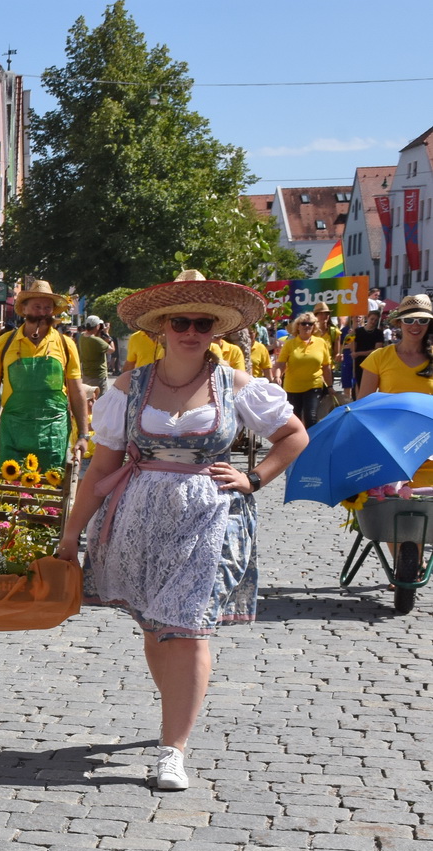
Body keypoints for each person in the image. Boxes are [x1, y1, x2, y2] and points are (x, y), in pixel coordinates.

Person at [57, 272, 306, 792]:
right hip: (137, 519)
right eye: (181, 321)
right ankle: (177, 710)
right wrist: (69, 536)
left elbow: (293, 435)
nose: (191, 330)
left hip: (210, 519)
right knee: (154, 625)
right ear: (162, 328)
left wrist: (253, 478)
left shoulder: (236, 385)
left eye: (202, 323)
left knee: (190, 628)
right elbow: (100, 470)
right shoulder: (129, 388)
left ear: (216, 331)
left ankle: (174, 749)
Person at [0, 279, 85, 470]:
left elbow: (76, 391)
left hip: (53, 432)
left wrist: (83, 435)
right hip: (14, 430)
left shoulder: (66, 345)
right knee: (9, 493)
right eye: (37, 306)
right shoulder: (5, 343)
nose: (42, 312)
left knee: (51, 492)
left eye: (47, 307)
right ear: (24, 309)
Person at [355, 294, 433, 491]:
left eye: (422, 320)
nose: (416, 325)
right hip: (392, 447)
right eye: (409, 320)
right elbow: (364, 407)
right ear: (399, 322)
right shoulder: (380, 357)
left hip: (429, 449)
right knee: (391, 513)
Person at [276, 312, 332, 428]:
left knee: (311, 417)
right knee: (295, 419)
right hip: (293, 387)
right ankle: (298, 444)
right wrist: (277, 377)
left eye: (310, 324)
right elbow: (281, 363)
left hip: (314, 385)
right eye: (304, 323)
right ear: (298, 326)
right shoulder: (290, 344)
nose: (307, 326)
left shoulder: (321, 343)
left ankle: (312, 444)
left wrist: (330, 386)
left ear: (314, 326)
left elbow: (326, 366)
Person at [76, 315, 112, 403]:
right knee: (101, 401)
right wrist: (108, 335)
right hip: (99, 376)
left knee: (89, 400)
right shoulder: (96, 341)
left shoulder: (82, 337)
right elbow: (111, 350)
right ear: (97, 326)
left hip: (86, 374)